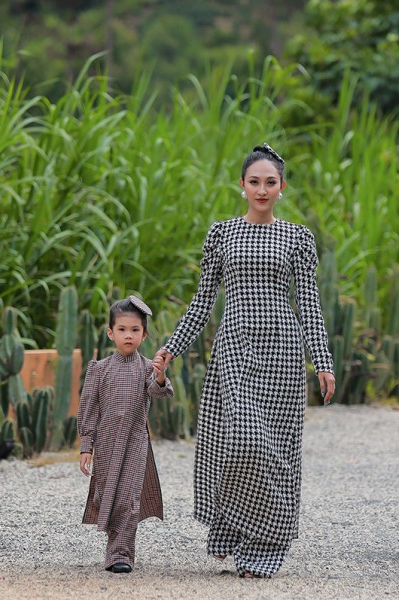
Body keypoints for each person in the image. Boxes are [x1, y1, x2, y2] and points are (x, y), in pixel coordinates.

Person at [152, 143, 336, 578]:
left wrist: (322, 361)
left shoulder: (297, 237)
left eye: (270, 182)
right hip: (234, 348)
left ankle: (264, 548)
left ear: (282, 188)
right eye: (254, 181)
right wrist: (171, 347)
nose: (262, 189)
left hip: (283, 353)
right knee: (238, 442)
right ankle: (232, 526)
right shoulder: (221, 234)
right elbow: (202, 303)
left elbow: (308, 302)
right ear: (242, 185)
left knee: (277, 451)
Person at [79, 295, 174, 574]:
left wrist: (159, 376)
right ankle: (113, 543)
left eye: (135, 330)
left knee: (129, 497)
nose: (128, 336)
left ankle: (121, 554)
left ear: (144, 335)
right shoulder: (100, 369)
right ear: (111, 333)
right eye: (122, 330)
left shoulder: (147, 368)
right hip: (107, 444)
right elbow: (89, 407)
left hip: (134, 442)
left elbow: (160, 392)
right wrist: (87, 444)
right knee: (106, 494)